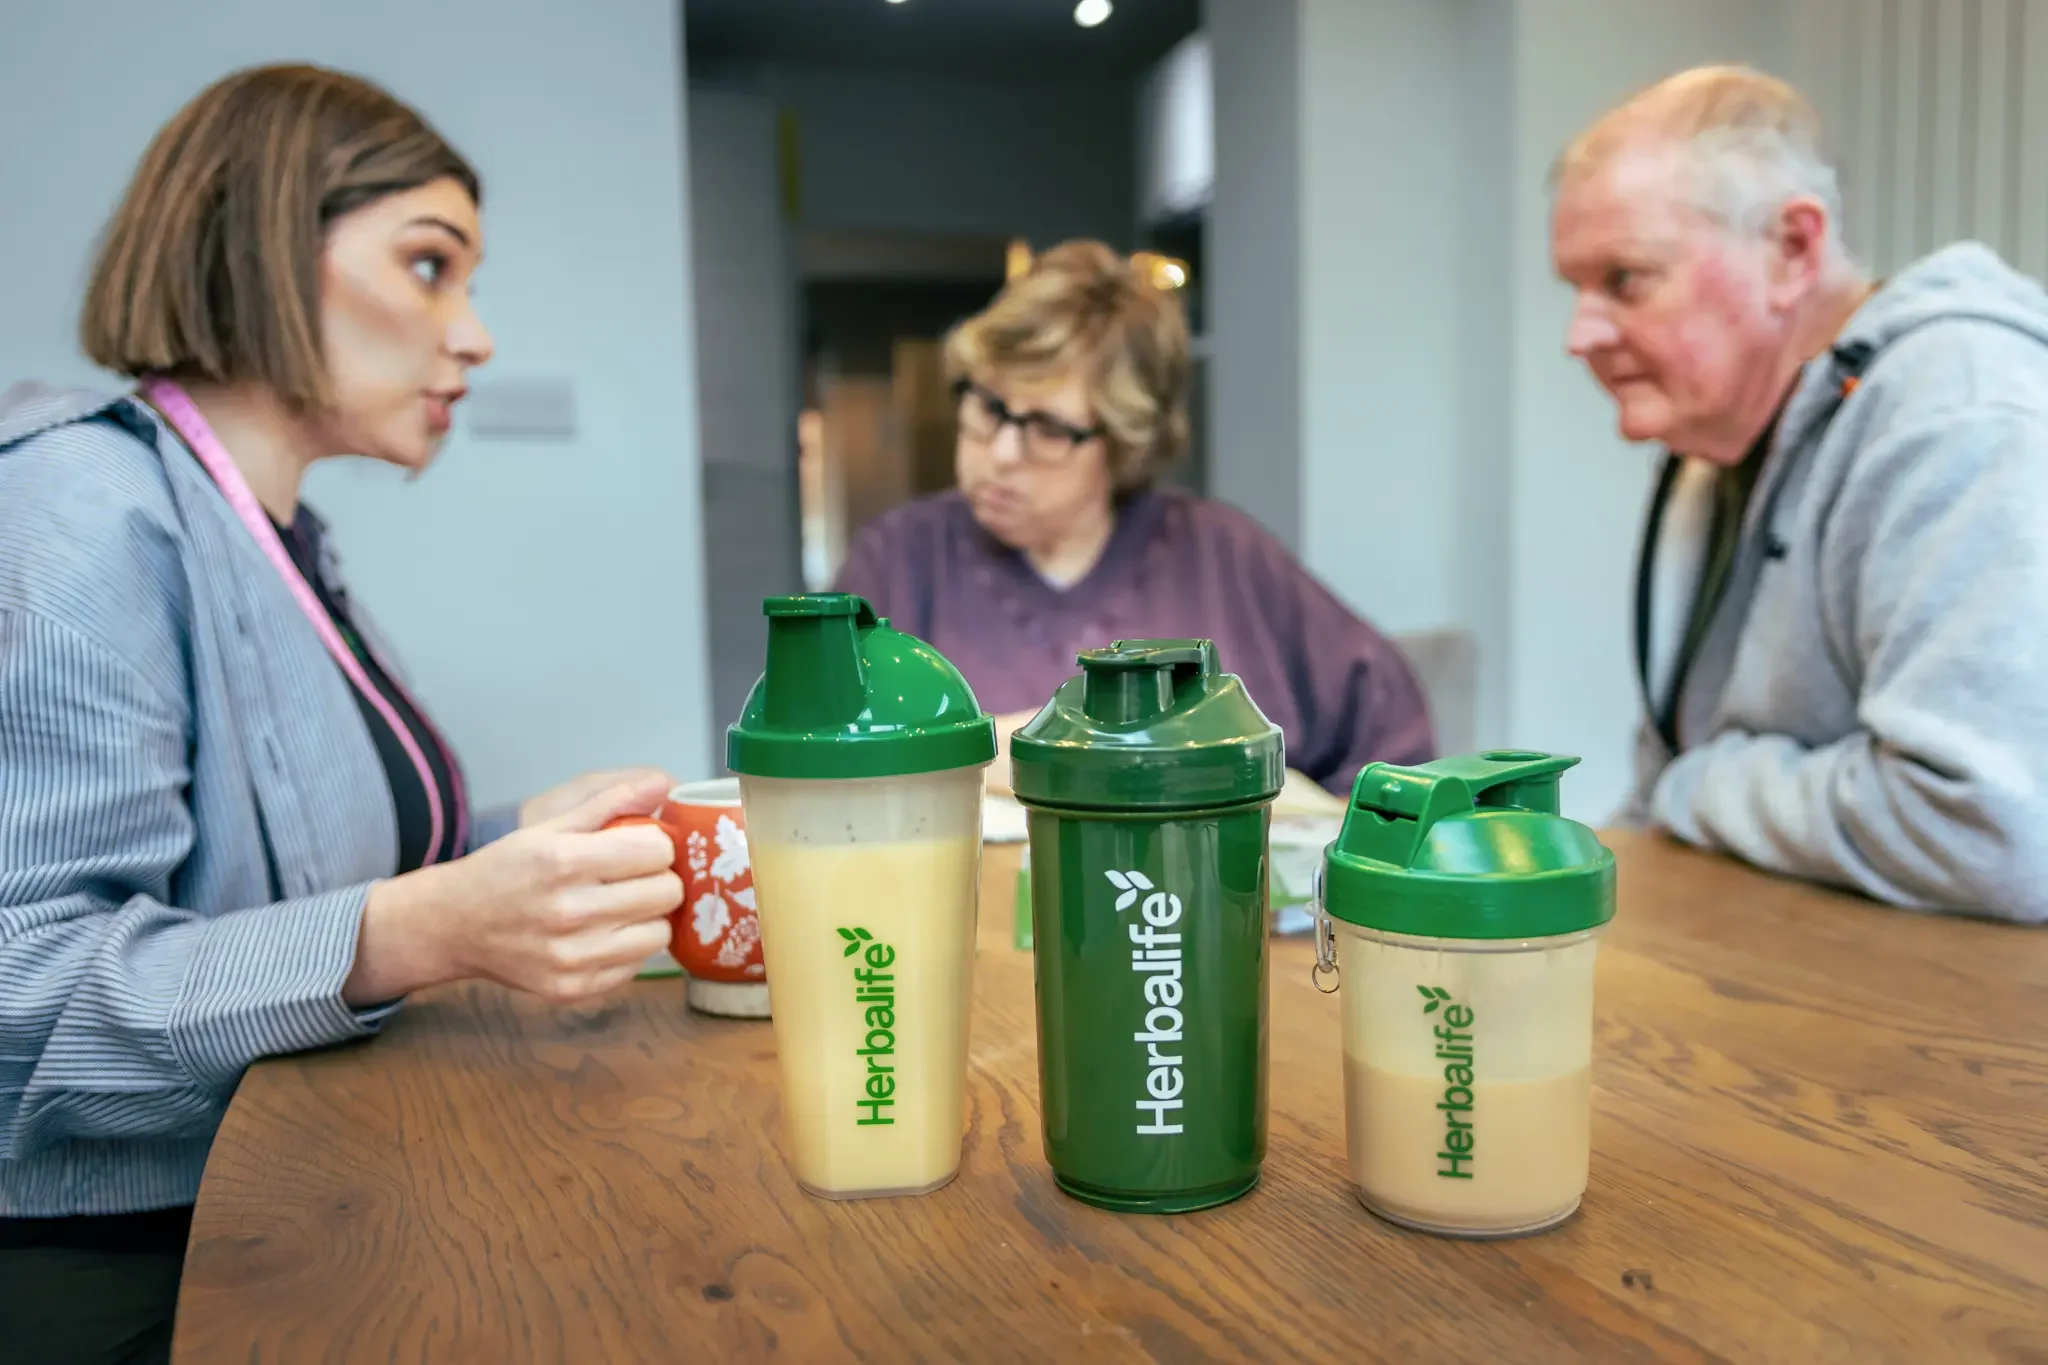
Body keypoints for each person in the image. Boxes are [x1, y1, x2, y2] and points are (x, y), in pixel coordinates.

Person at [0, 65, 687, 1362]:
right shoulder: (83, 505)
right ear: (262, 241)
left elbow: (298, 882)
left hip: (280, 1201)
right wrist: (430, 925)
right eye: (432, 267)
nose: (475, 333)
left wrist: (505, 845)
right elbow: (20, 989)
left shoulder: (274, 536)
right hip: (121, 1270)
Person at [1551, 64, 2048, 923]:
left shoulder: (1965, 406)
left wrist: (1701, 781)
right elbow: (1661, 805)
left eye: (1624, 279)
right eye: (1575, 288)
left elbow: (1991, 833)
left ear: (1792, 250)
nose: (1581, 334)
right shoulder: (1712, 450)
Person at [832, 240, 1434, 796]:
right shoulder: (896, 562)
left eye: (1047, 429)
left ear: (1123, 446)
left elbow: (1394, 754)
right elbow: (823, 768)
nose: (1002, 454)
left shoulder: (1227, 558)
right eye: (989, 408)